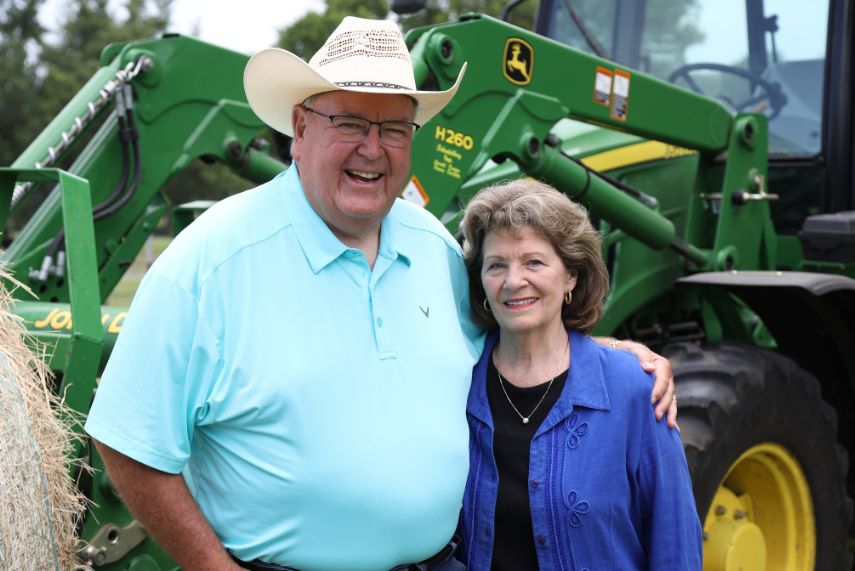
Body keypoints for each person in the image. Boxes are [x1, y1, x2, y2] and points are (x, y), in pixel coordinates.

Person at [84, 17, 677, 571]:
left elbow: (511, 330)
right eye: (350, 124)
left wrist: (604, 355)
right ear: (300, 127)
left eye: (394, 128)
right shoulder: (210, 262)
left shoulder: (434, 247)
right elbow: (127, 441)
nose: (374, 148)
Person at [457, 179, 702, 570]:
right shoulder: (455, 380)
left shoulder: (635, 390)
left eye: (533, 262)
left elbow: (674, 542)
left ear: (571, 275)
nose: (513, 280)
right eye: (496, 265)